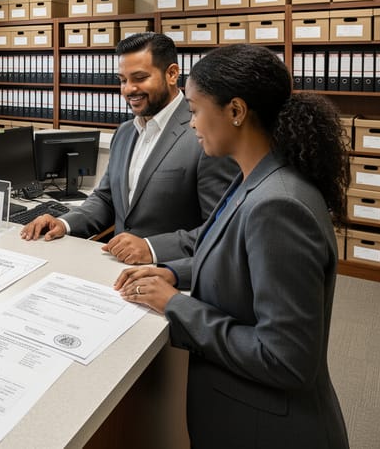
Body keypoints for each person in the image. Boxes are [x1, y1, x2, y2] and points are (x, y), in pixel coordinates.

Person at [115, 44, 349, 448]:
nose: (190, 125)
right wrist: (173, 272)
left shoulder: (278, 205)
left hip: (270, 430)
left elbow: (285, 358)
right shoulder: (253, 178)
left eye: (194, 109)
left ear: (236, 111)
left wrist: (175, 303)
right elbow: (236, 258)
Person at [21, 32, 237, 265]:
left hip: (169, 280)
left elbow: (222, 230)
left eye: (140, 78)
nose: (128, 89)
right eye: (123, 80)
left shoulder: (205, 135)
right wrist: (64, 222)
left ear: (172, 74)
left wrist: (152, 248)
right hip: (115, 273)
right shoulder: (124, 132)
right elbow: (105, 198)